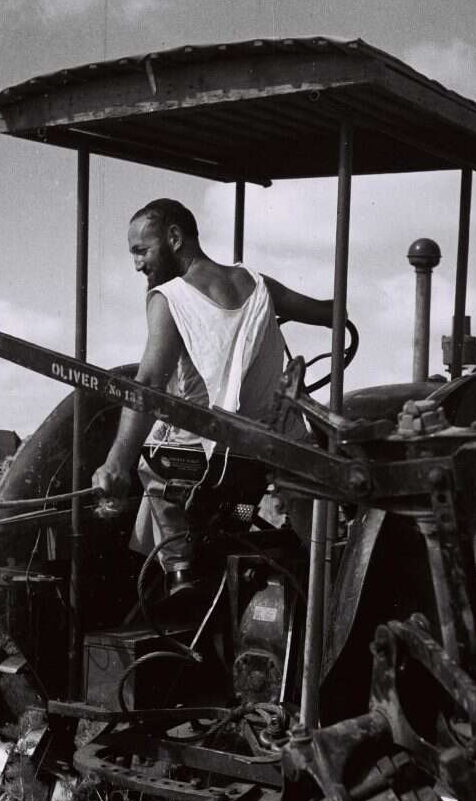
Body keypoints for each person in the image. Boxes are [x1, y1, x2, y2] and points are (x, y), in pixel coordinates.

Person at [91, 198, 332, 594]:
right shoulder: (258, 284)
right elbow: (325, 313)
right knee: (307, 487)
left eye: (142, 250)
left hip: (211, 453)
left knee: (152, 467)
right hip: (275, 446)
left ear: (174, 238)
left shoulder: (169, 298)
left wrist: (116, 462)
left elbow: (148, 383)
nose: (137, 264)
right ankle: (327, 564)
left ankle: (179, 570)